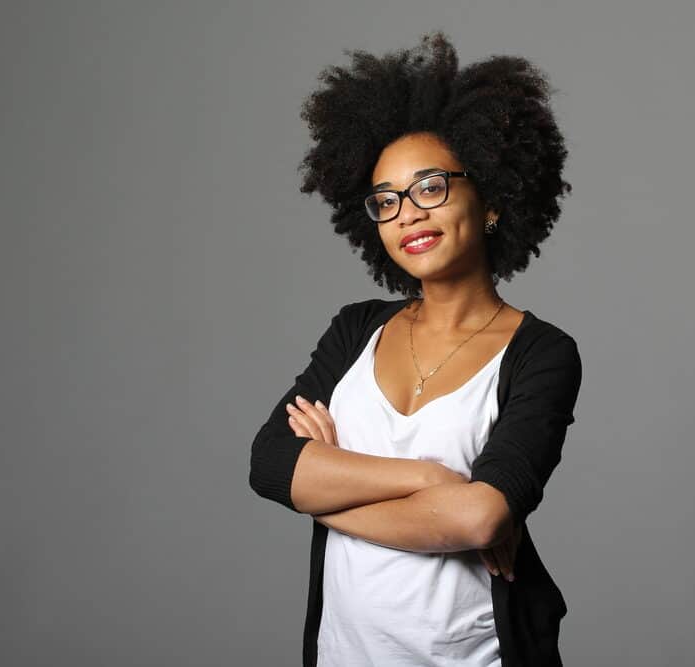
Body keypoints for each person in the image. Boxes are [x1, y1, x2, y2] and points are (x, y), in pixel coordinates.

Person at [249, 32, 582, 667]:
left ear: (487, 198)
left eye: (430, 187)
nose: (408, 214)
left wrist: (327, 491)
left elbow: (481, 520)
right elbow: (270, 464)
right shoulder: (355, 331)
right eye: (387, 200)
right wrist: (430, 482)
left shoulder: (542, 353)